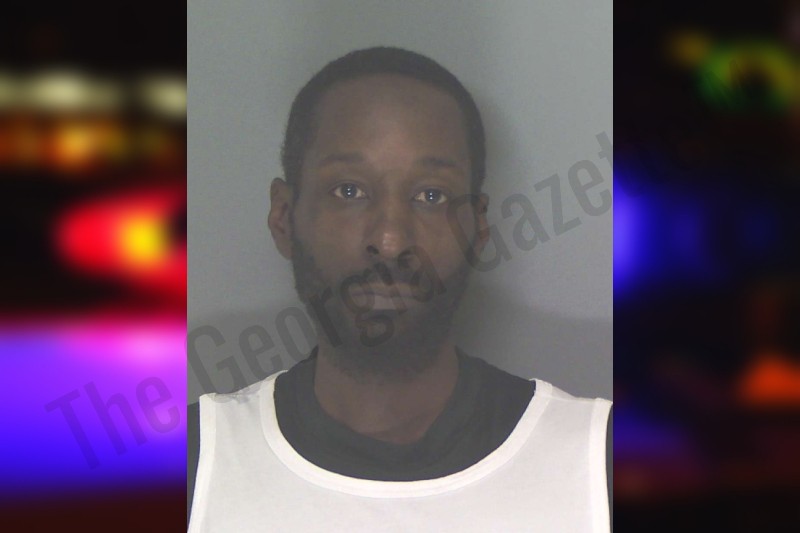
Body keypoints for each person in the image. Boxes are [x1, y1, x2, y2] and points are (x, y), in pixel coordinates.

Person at [187, 46, 612, 532]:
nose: (390, 241)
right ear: (284, 217)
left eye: (431, 195)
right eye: (349, 191)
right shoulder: (194, 464)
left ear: (478, 228)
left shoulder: (597, 461)